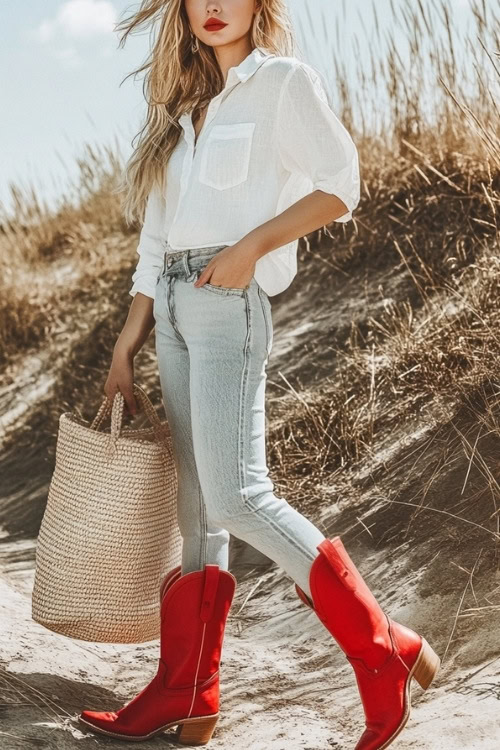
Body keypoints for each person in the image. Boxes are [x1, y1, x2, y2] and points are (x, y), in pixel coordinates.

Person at [78, 1, 440, 748]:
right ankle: (187, 688)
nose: (214, 6)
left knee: (240, 497)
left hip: (229, 305)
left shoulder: (282, 83)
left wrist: (252, 246)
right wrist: (127, 339)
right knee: (197, 511)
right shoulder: (179, 113)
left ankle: (383, 653)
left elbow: (342, 183)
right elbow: (156, 237)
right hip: (174, 307)